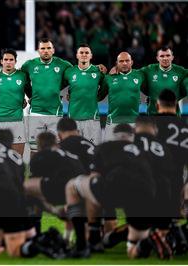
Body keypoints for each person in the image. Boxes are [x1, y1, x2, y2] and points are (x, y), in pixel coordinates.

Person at [64, 124, 172, 259]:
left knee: (74, 186)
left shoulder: (106, 147)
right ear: (132, 137)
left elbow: (94, 179)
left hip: (115, 188)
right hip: (145, 194)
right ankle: (147, 241)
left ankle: (87, 243)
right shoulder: (144, 150)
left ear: (114, 136)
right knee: (133, 251)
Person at [20, 39, 73, 154]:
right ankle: (35, 172)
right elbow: (21, 80)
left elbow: (75, 77)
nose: (46, 51)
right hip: (36, 112)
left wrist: (70, 91)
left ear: (53, 50)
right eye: (43, 48)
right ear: (38, 51)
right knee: (35, 148)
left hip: (55, 111)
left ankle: (54, 172)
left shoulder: (63, 64)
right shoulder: (29, 65)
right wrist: (29, 95)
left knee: (56, 147)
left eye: (49, 48)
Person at [154, 89, 188, 254]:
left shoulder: (150, 125)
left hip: (153, 183)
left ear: (157, 105)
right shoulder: (184, 126)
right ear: (176, 106)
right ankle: (175, 234)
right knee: (172, 216)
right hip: (177, 181)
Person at [98, 52, 146, 141]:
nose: (124, 63)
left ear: (132, 62)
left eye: (127, 61)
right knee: (111, 153)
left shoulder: (140, 75)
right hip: (112, 122)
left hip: (133, 122)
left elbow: (149, 88)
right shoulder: (109, 78)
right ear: (116, 63)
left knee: (132, 153)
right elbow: (99, 96)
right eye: (121, 61)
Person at [63, 44, 104, 144]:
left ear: (91, 56)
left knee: (93, 152)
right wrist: (69, 93)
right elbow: (59, 86)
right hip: (73, 119)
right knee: (73, 152)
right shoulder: (69, 72)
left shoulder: (99, 72)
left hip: (92, 119)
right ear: (77, 55)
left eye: (86, 53)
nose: (84, 55)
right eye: (81, 52)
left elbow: (105, 89)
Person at [0, 49, 29, 155]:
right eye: (6, 59)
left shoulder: (22, 76)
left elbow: (30, 92)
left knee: (18, 157)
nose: (8, 62)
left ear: (15, 61)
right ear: (1, 61)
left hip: (17, 120)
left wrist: (26, 100)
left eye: (11, 59)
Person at [140, 47, 187, 115]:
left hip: (174, 116)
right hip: (153, 115)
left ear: (172, 57)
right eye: (162, 56)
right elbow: (135, 74)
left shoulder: (180, 71)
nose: (165, 58)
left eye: (168, 55)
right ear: (157, 58)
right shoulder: (149, 69)